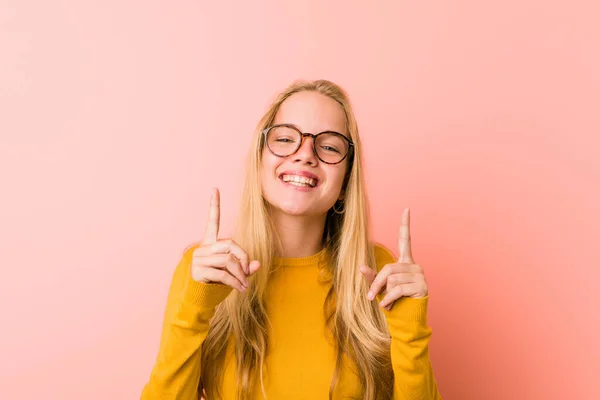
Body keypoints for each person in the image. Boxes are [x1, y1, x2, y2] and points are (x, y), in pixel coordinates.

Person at [141, 79, 442, 399]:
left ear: (344, 183)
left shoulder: (380, 274)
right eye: (285, 139)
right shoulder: (205, 270)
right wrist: (195, 307)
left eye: (328, 146)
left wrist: (411, 334)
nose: (305, 154)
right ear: (259, 162)